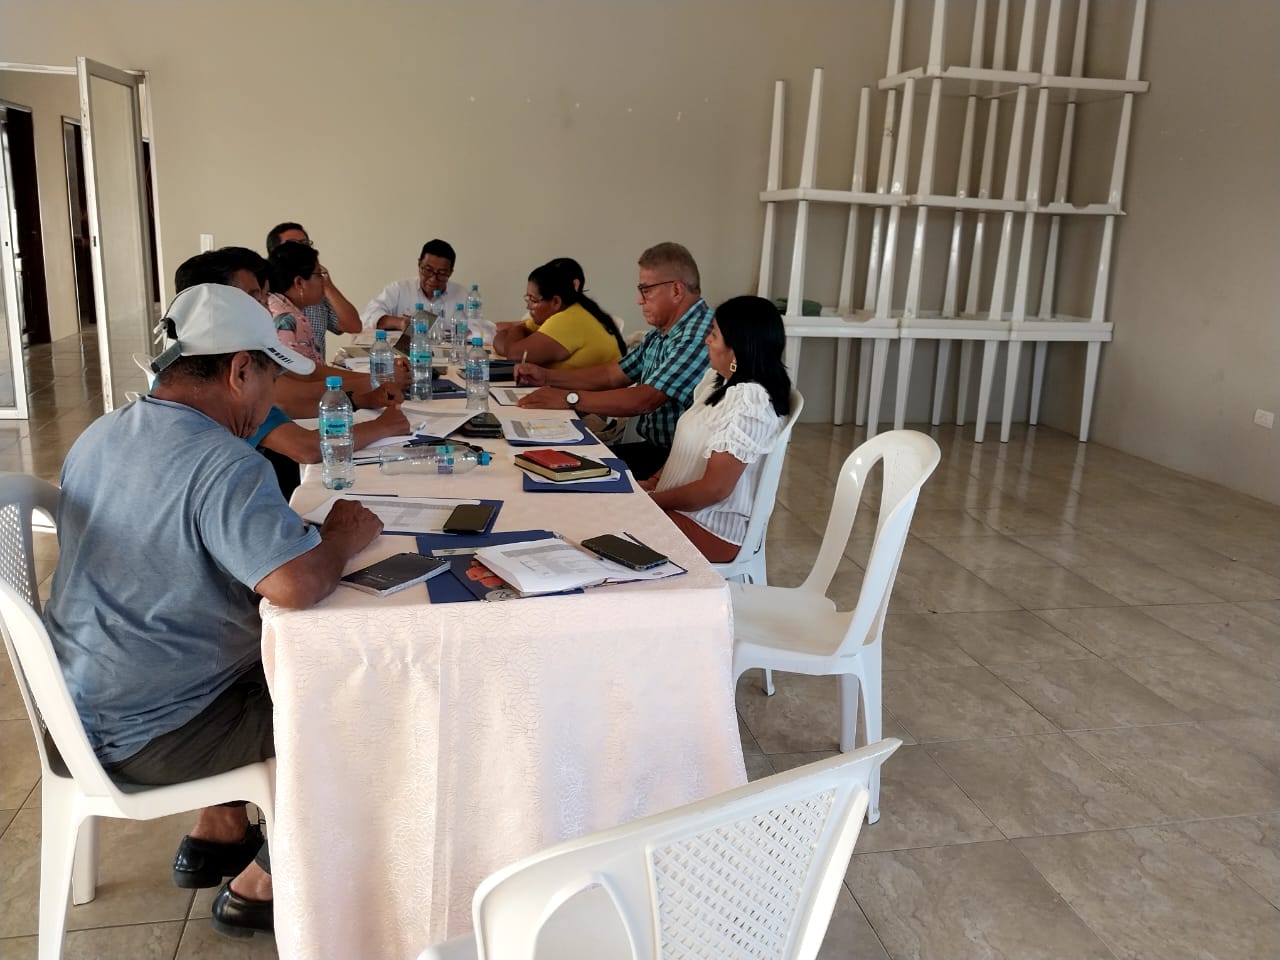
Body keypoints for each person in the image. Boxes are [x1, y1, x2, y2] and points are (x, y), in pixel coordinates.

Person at [43, 283, 384, 939]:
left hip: (80, 707)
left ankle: (221, 827)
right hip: (152, 731)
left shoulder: (102, 432)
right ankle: (263, 885)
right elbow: (293, 586)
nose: (270, 399)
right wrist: (343, 539)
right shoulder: (223, 461)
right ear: (240, 370)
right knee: (361, 703)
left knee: (276, 657)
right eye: (271, 380)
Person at [174, 249, 410, 499]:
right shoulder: (228, 374)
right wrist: (381, 424)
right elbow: (302, 438)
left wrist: (363, 397)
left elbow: (301, 379)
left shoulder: (219, 359)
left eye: (264, 298)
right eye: (254, 299)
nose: (266, 310)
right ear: (213, 307)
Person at [516, 242, 713, 480]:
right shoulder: (665, 331)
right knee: (543, 463)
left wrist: (569, 398)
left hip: (678, 463)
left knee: (559, 475)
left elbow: (644, 400)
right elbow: (614, 374)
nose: (639, 300)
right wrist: (547, 377)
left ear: (677, 290)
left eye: (646, 290)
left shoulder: (698, 336)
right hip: (654, 451)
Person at [639, 296, 791, 562]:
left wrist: (652, 501)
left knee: (608, 526)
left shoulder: (750, 401)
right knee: (601, 507)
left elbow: (714, 490)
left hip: (714, 528)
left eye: (715, 335)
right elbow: (688, 448)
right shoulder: (719, 381)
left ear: (737, 349)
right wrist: (652, 484)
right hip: (684, 510)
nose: (707, 340)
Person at [493, 261, 625, 368]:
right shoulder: (563, 313)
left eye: (533, 300)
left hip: (595, 392)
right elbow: (500, 340)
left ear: (556, 301)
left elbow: (514, 355)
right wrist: (517, 340)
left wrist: (516, 330)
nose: (528, 306)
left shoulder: (570, 319)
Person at [361, 239, 493, 341]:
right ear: (419, 264)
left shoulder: (462, 295)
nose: (433, 279)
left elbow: (482, 331)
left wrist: (468, 331)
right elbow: (367, 315)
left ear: (451, 272)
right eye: (428, 270)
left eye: (441, 273)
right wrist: (400, 323)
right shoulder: (400, 289)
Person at [265, 221, 361, 358]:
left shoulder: (314, 290)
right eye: (293, 245)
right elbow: (298, 370)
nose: (302, 250)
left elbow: (354, 326)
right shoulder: (280, 313)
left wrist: (326, 284)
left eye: (305, 244)